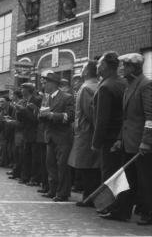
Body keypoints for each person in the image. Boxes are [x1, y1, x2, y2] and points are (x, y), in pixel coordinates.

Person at [100, 53, 152, 224]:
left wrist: (146, 141)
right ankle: (122, 211)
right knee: (127, 179)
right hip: (128, 142)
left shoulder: (146, 85)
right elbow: (126, 118)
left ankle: (148, 213)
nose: (122, 69)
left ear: (134, 68)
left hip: (141, 144)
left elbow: (150, 117)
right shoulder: (129, 86)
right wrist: (119, 139)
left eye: (126, 66)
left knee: (145, 180)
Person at [68, 60, 100, 207]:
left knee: (87, 167)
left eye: (83, 68)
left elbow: (90, 113)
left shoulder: (87, 87)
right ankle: (90, 195)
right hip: (88, 132)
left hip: (86, 133)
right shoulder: (94, 85)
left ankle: (89, 197)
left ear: (87, 71)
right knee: (90, 167)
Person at [91, 52, 127, 184]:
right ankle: (120, 203)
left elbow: (102, 119)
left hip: (109, 139)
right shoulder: (123, 82)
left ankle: (110, 205)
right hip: (122, 137)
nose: (97, 65)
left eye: (99, 63)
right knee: (120, 175)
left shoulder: (105, 87)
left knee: (108, 175)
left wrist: (96, 143)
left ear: (105, 66)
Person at [39, 71, 75, 202]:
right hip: (50, 136)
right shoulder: (46, 98)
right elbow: (42, 115)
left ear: (53, 83)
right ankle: (52, 190)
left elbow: (70, 116)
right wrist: (41, 116)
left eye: (46, 82)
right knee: (51, 165)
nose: (44, 84)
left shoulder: (67, 97)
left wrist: (52, 116)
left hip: (63, 137)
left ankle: (63, 192)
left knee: (62, 166)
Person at [16, 83, 42, 186]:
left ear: (28, 90)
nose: (21, 90)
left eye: (23, 89)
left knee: (35, 157)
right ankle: (25, 176)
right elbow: (21, 118)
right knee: (25, 156)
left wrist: (23, 110)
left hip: (35, 132)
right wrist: (19, 111)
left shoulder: (37, 100)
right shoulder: (24, 101)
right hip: (26, 132)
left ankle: (34, 178)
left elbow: (35, 118)